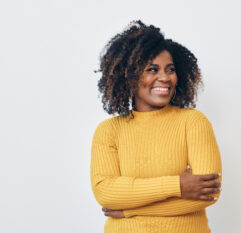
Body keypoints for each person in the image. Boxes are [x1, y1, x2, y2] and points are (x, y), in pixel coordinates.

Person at [90, 20, 222, 233]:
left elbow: (207, 193)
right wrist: (178, 185)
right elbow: (106, 194)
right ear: (130, 75)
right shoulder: (109, 131)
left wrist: (128, 209)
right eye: (152, 69)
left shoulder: (193, 122)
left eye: (170, 70)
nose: (165, 78)